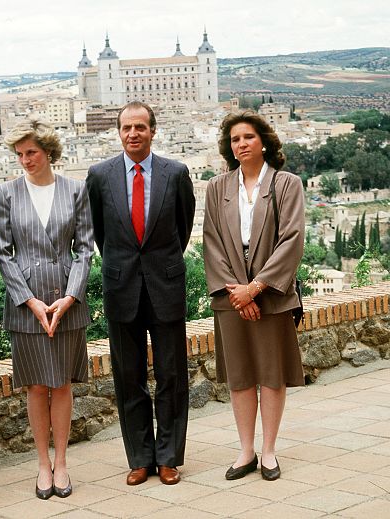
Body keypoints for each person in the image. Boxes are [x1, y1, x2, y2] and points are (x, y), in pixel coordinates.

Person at [86, 101, 195, 486]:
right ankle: (139, 458)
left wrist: (157, 263)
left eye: (140, 127)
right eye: (126, 128)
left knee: (171, 376)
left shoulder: (176, 173)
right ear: (118, 133)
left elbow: (183, 227)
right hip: (122, 287)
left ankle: (168, 457)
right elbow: (100, 233)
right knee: (127, 377)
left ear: (153, 130)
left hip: (165, 285)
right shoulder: (99, 176)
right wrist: (124, 265)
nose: (133, 133)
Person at [0, 119, 93, 499]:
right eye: (19, 154)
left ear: (48, 150)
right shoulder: (5, 193)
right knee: (35, 385)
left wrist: (70, 297)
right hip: (25, 301)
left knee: (62, 383)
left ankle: (62, 463)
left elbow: (85, 248)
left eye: (31, 152)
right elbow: (3, 252)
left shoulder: (75, 190)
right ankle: (42, 464)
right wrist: (29, 301)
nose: (25, 160)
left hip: (66, 297)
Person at [203, 110, 305, 481]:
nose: (241, 144)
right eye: (234, 140)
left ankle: (270, 451)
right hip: (232, 298)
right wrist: (237, 292)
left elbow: (292, 241)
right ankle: (245, 450)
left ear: (264, 141)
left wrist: (255, 288)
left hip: (271, 296)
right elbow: (211, 243)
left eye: (247, 137)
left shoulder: (286, 184)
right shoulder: (217, 188)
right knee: (241, 376)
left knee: (271, 375)